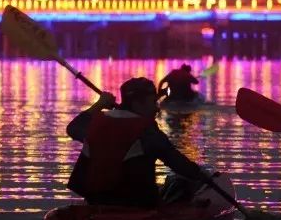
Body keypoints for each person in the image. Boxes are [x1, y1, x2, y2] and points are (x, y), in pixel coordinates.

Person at [66, 77, 209, 208]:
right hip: (136, 203)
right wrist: (202, 176)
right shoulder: (148, 131)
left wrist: (99, 105)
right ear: (137, 104)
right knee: (180, 184)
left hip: (97, 200)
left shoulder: (98, 123)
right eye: (153, 102)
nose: (157, 108)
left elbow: (73, 128)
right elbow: (178, 163)